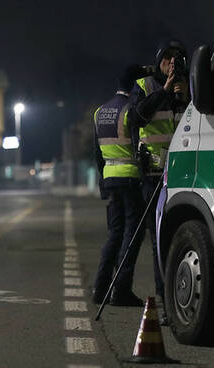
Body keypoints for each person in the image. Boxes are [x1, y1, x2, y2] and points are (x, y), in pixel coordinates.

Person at [128, 39, 190, 323]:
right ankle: (166, 303)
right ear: (159, 61)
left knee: (186, 238)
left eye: (177, 60)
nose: (171, 65)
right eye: (167, 59)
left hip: (185, 172)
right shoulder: (145, 85)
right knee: (160, 241)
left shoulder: (189, 86)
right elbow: (137, 118)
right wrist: (165, 92)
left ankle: (183, 298)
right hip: (154, 174)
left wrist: (188, 97)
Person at [92, 64, 150, 307]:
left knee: (115, 233)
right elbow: (139, 144)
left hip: (110, 177)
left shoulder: (100, 111)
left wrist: (103, 182)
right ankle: (122, 290)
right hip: (130, 176)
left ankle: (100, 287)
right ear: (135, 85)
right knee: (133, 234)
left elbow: (96, 153)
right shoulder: (130, 110)